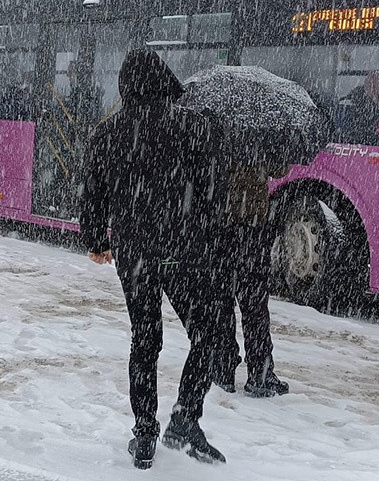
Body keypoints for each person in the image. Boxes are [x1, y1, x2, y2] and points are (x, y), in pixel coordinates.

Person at [80, 50, 227, 469]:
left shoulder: (107, 133)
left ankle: (145, 432)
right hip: (183, 252)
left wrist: (95, 239)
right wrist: (207, 239)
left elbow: (93, 194)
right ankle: (185, 418)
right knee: (208, 333)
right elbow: (210, 194)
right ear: (165, 79)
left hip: (134, 253)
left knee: (145, 339)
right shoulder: (192, 126)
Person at [211, 160, 291, 398]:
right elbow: (280, 168)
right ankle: (260, 372)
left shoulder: (214, 127)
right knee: (254, 304)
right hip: (251, 226)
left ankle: (222, 368)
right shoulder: (261, 130)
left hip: (217, 223)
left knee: (221, 301)